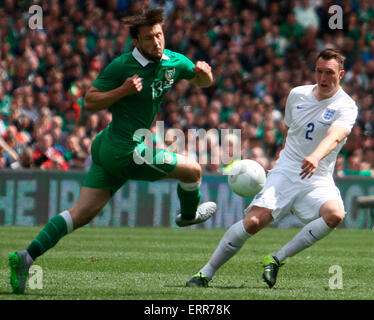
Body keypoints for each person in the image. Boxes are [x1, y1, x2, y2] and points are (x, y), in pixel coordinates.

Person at [8, 8, 217, 295]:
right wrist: (123, 91)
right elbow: (90, 101)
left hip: (111, 145)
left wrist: (205, 75)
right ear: (136, 42)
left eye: (159, 35)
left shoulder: (173, 60)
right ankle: (189, 216)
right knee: (193, 170)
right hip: (125, 151)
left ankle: (25, 257)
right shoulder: (122, 66)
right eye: (149, 38)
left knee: (79, 214)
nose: (156, 42)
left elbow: (201, 81)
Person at [186, 49, 358, 288]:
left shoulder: (346, 106)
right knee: (254, 223)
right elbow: (289, 129)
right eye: (319, 71)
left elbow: (336, 135)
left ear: (341, 74)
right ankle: (205, 273)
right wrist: (287, 153)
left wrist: (316, 156)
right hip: (287, 170)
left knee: (335, 215)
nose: (323, 78)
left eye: (329, 73)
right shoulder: (297, 95)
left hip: (318, 176)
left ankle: (276, 258)